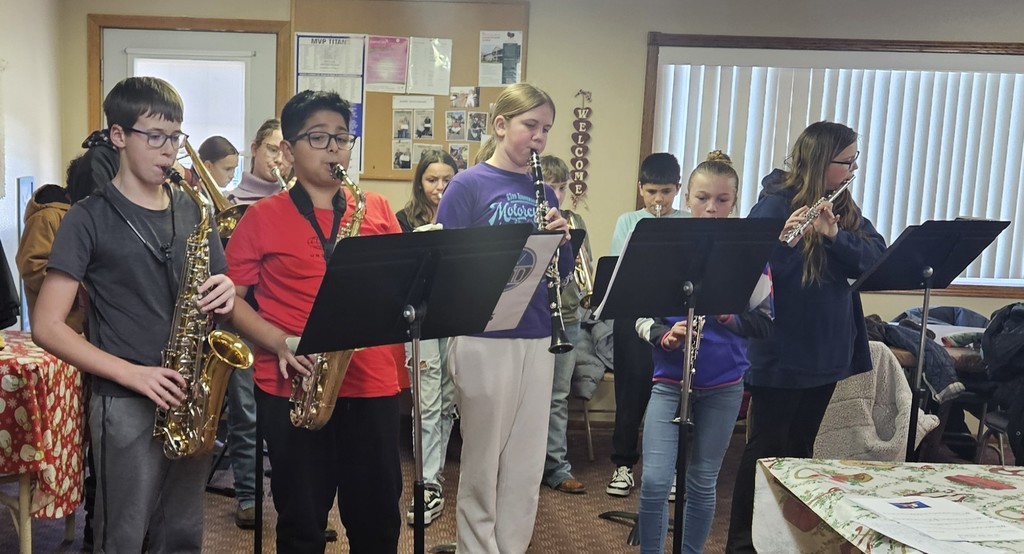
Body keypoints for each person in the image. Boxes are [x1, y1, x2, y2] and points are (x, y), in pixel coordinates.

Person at [32, 76, 236, 553]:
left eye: (176, 137)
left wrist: (226, 289)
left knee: (182, 532)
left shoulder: (193, 209)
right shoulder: (87, 216)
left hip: (190, 393)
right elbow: (46, 325)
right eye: (156, 136)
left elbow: (220, 285)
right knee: (121, 535)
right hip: (124, 400)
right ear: (119, 135)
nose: (169, 151)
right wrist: (133, 374)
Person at [225, 89, 403, 553]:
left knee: (378, 522)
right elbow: (231, 302)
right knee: (301, 523)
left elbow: (399, 285)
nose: (334, 149)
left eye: (342, 138)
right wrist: (278, 341)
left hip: (372, 383)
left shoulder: (377, 208)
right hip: (292, 384)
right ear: (288, 150)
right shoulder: (260, 217)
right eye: (319, 138)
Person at [725, 121, 886, 553]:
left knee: (800, 449)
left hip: (827, 348)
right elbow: (748, 269)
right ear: (820, 161)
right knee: (766, 448)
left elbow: (875, 257)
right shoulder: (774, 204)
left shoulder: (843, 206)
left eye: (854, 160)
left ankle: (784, 539)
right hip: (782, 349)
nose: (853, 169)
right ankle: (742, 544)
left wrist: (835, 236)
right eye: (846, 161)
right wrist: (782, 242)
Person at [435, 82, 572, 554]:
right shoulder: (468, 185)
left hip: (538, 333)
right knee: (482, 461)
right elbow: (445, 264)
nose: (539, 137)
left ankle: (512, 547)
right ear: (500, 125)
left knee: (526, 463)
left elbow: (560, 274)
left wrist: (562, 239)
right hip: (483, 334)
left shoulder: (546, 193)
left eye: (546, 129)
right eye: (530, 125)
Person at [635, 151, 774, 554]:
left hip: (724, 384)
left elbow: (765, 323)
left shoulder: (750, 256)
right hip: (669, 381)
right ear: (687, 198)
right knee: (655, 481)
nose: (712, 208)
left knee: (701, 481)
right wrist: (664, 335)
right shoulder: (664, 248)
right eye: (702, 198)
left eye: (722, 200)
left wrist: (729, 318)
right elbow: (638, 316)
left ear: (734, 202)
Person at [606, 152, 687, 497]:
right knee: (631, 391)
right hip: (634, 312)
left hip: (673, 315)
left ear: (677, 189)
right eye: (652, 191)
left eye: (666, 192)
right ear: (641, 189)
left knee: (674, 393)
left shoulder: (688, 221)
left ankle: (671, 470)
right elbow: (620, 270)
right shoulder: (629, 220)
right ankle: (623, 464)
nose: (659, 199)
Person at [395, 150, 458, 525]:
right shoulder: (404, 219)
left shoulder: (462, 214)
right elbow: (399, 275)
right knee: (427, 400)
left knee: (448, 399)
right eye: (432, 179)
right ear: (420, 183)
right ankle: (427, 483)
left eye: (447, 179)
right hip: (418, 318)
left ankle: (435, 475)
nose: (440, 187)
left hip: (453, 313)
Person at [539, 154, 588, 495]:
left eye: (561, 187)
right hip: (535, 319)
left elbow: (582, 265)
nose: (556, 194)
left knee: (558, 395)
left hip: (568, 316)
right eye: (550, 187)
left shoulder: (574, 219)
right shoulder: (531, 218)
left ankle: (556, 466)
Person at [227, 118, 287, 204]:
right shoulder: (229, 200)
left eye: (287, 153)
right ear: (255, 149)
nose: (279, 160)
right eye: (273, 150)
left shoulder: (294, 199)